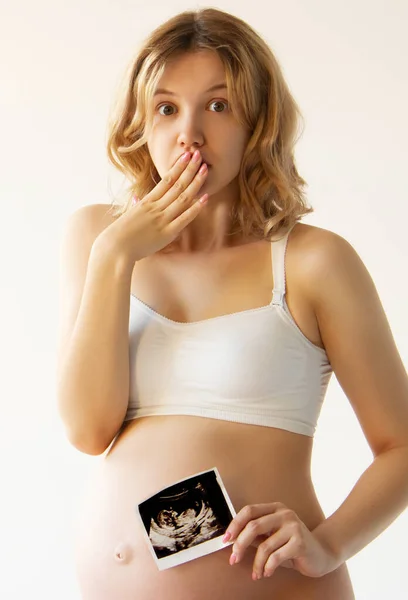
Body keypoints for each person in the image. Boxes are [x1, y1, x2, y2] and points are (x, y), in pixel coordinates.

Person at [56, 7, 408, 599]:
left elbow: (403, 446)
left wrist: (328, 545)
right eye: (166, 108)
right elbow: (88, 429)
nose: (188, 133)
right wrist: (116, 256)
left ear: (257, 123)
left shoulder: (311, 263)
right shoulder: (98, 238)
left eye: (217, 106)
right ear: (142, 121)